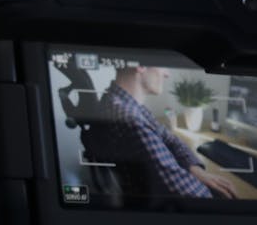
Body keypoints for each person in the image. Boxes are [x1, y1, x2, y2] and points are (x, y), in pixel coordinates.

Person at [95, 64, 237, 199]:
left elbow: (171, 139)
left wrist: (195, 169)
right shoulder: (130, 118)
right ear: (140, 66)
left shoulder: (125, 104)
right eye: (162, 65)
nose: (167, 74)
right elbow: (194, 195)